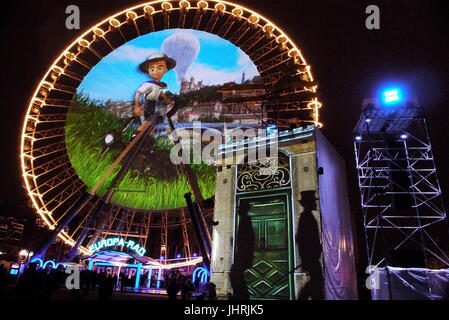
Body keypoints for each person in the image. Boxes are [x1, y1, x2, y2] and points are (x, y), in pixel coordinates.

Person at [134, 53, 176, 122]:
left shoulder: (161, 85)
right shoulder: (148, 84)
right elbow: (138, 93)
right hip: (147, 112)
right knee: (147, 127)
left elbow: (160, 92)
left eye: (159, 68)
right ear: (148, 71)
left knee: (155, 128)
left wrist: (167, 99)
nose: (156, 71)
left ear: (165, 69)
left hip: (156, 112)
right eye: (152, 69)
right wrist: (137, 106)